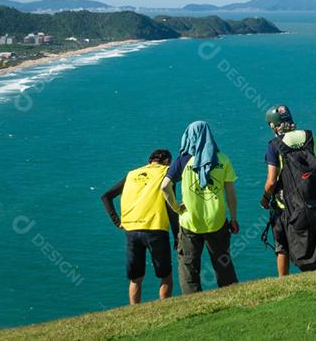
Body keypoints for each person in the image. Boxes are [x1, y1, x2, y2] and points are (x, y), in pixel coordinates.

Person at [160, 121, 239, 294]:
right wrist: (233, 218)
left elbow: (164, 186)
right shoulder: (223, 159)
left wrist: (175, 207)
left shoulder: (182, 161)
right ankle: (231, 293)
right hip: (217, 221)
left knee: (188, 265)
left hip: (190, 221)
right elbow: (230, 193)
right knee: (223, 262)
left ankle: (192, 299)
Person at [260, 104, 316, 275]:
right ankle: (314, 277)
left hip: (285, 207)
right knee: (312, 242)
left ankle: (284, 282)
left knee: (282, 247)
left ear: (273, 125)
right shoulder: (310, 138)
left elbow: (271, 182)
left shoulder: (274, 146)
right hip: (313, 203)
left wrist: (265, 199)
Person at [101, 149, 179, 304]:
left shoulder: (132, 174)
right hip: (155, 228)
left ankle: (134, 311)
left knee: (135, 278)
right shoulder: (167, 172)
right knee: (165, 276)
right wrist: (177, 235)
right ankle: (165, 308)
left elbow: (106, 196)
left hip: (132, 230)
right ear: (167, 161)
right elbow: (171, 208)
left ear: (150, 161)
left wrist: (117, 221)